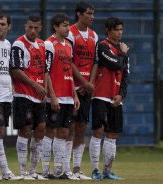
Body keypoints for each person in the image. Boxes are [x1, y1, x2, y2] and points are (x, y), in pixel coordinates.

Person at [89, 16, 129, 180]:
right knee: (98, 131)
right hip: (100, 95)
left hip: (115, 97)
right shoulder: (102, 47)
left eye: (121, 29)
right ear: (108, 31)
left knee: (112, 134)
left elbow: (125, 75)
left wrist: (121, 94)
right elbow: (116, 64)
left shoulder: (123, 50)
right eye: (116, 30)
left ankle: (107, 171)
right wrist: (123, 54)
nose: (119, 33)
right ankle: (95, 170)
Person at [41, 13, 80, 180]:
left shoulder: (69, 45)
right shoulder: (49, 44)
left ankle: (58, 170)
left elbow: (69, 71)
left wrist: (75, 95)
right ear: (56, 27)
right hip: (56, 96)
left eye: (68, 25)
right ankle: (44, 170)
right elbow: (46, 72)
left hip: (68, 96)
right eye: (64, 25)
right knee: (50, 130)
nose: (67, 28)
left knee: (64, 131)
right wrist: (53, 96)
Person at [10, 15, 47, 180]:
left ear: (40, 28)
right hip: (23, 94)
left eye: (36, 28)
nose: (33, 30)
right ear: (26, 26)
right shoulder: (19, 44)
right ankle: (23, 171)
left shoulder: (42, 45)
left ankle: (33, 171)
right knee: (25, 129)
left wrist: (44, 89)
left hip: (38, 96)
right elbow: (16, 70)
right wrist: (36, 85)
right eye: (30, 27)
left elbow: (44, 70)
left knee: (40, 129)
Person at [0, 13, 23, 180]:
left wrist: (13, 85)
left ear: (9, 26)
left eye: (3, 24)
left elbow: (8, 67)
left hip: (7, 94)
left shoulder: (8, 44)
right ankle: (5, 171)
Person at [67, 1, 98, 180]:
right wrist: (83, 82)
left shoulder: (94, 35)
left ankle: (77, 167)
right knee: (68, 127)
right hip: (72, 86)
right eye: (89, 13)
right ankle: (65, 166)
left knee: (81, 127)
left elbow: (95, 61)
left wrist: (90, 83)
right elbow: (68, 61)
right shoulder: (70, 33)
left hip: (87, 87)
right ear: (79, 14)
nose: (92, 17)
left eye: (93, 14)